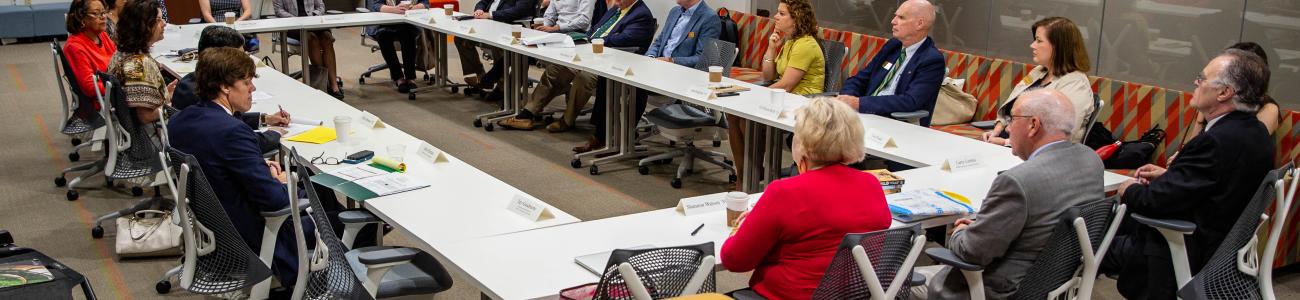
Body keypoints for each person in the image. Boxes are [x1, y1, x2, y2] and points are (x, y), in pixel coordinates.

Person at [1103, 49, 1274, 299]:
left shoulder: (1214, 141)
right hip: (1221, 249)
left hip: (1179, 249)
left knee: (1078, 237)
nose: (1196, 83)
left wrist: (1128, 188)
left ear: (1224, 92)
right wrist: (1170, 177)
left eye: (1202, 79)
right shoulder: (1256, 133)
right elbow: (1217, 183)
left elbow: (1154, 202)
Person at [915, 89, 1104, 299]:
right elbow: (1041, 221)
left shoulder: (1017, 181)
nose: (1008, 127)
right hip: (1056, 285)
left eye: (1012, 119)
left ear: (1033, 125)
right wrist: (984, 227)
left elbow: (971, 251)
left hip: (999, 290)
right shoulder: (1091, 161)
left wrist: (961, 231)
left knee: (896, 284)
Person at [167, 47, 315, 291]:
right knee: (326, 205)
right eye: (246, 82)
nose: (252, 89)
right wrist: (282, 182)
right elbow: (275, 200)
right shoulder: (233, 131)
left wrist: (258, 165)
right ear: (225, 87)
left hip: (213, 229)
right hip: (251, 234)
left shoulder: (180, 120)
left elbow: (216, 163)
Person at [720, 96, 891, 300]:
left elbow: (734, 260)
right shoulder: (871, 184)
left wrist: (743, 226)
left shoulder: (784, 192)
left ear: (803, 143)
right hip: (852, 295)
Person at [551, 0, 717, 134]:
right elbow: (658, 41)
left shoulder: (709, 18)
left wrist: (671, 60)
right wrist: (651, 57)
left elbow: (702, 59)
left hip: (679, 72)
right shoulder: (675, 12)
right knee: (607, 76)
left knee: (630, 84)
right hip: (658, 65)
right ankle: (604, 133)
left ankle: (620, 134)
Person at [496, 0, 654, 135]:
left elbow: (626, 39)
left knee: (584, 78)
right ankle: (528, 114)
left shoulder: (641, 14)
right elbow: (595, 29)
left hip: (611, 63)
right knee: (556, 69)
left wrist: (597, 40)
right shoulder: (616, 9)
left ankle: (567, 120)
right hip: (590, 54)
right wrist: (590, 38)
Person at [724, 0, 822, 187]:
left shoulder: (805, 45)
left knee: (748, 118)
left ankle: (751, 175)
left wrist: (751, 95)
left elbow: (786, 84)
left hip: (802, 103)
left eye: (782, 14)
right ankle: (745, 175)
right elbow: (768, 75)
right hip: (785, 98)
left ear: (796, 19)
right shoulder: (790, 41)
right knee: (734, 114)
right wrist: (771, 47)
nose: (775, 17)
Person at [172, 26, 290, 155]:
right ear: (222, 58)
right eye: (238, 55)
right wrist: (274, 133)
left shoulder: (189, 82)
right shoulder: (201, 95)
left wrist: (265, 119)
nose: (243, 59)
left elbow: (227, 117)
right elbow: (243, 139)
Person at [981, 17, 1094, 145]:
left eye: (1039, 41)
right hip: (1014, 144)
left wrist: (1006, 142)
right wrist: (996, 131)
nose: (1032, 45)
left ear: (1058, 47)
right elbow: (1011, 107)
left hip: (1043, 154)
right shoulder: (1038, 72)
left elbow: (1059, 135)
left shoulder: (1076, 84)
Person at [1168, 42, 1280, 164]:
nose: (1196, 82)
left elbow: (1242, 150)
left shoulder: (1267, 110)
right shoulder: (1213, 105)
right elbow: (1194, 142)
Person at [835, 0, 944, 126]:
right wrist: (847, 100)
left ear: (919, 24)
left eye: (901, 17)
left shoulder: (931, 60)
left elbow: (910, 101)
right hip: (864, 115)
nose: (893, 21)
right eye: (895, 15)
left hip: (896, 122)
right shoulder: (893, 46)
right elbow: (860, 79)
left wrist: (859, 103)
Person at [108, 0, 175, 124]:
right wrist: (173, 104)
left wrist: (165, 94)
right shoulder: (138, 65)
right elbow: (145, 117)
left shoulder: (122, 53)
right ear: (144, 26)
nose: (164, 23)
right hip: (155, 136)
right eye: (158, 19)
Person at [457, 0, 536, 94]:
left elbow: (518, 11)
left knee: (497, 44)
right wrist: (479, 10)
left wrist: (490, 14)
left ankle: (501, 87)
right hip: (486, 25)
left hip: (506, 26)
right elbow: (482, 2)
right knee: (460, 39)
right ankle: (480, 78)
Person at [274, 0, 344, 99]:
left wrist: (312, 16)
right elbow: (279, 10)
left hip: (313, 21)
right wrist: (296, 20)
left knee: (327, 38)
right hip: (292, 26)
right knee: (311, 39)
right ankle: (322, 83)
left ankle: (333, 85)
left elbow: (321, 6)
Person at [64, 0, 117, 114]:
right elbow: (90, 87)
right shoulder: (75, 47)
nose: (103, 17)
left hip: (113, 90)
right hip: (102, 101)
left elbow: (118, 59)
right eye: (96, 13)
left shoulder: (101, 34)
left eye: (103, 13)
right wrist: (120, 86)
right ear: (81, 18)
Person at [367, 0, 429, 93]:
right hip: (383, 23)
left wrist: (411, 8)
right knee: (383, 36)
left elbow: (425, 3)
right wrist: (394, 9)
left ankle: (410, 77)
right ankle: (398, 77)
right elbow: (376, 5)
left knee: (408, 35)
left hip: (407, 23)